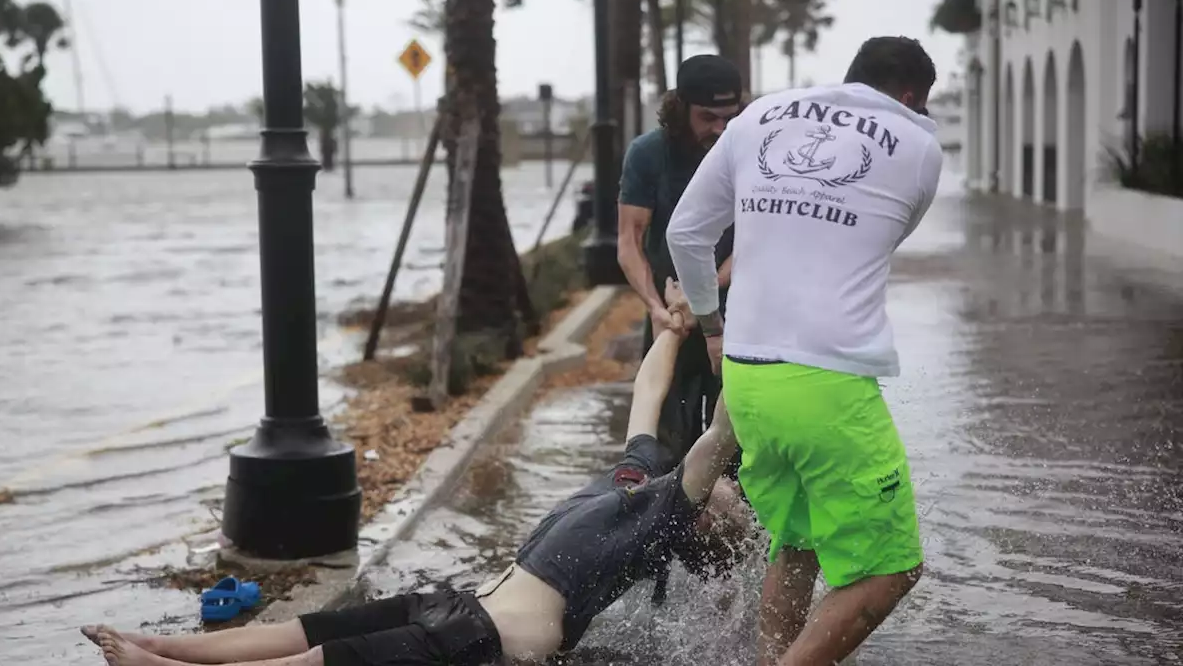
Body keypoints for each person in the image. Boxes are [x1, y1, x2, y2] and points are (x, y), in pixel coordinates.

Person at [82, 280, 753, 666]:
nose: (737, 498)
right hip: (458, 608)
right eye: (740, 498)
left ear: (701, 518)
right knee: (312, 632)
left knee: (321, 664)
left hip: (485, 644)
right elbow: (647, 395)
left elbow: (720, 435)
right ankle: (158, 643)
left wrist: (758, 344)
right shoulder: (636, 480)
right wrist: (673, 328)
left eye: (734, 506)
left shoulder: (665, 513)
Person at [664, 36, 942, 666]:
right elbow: (887, 232)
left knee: (796, 544)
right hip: (827, 382)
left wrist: (711, 326)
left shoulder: (757, 117)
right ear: (908, 97)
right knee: (891, 569)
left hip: (747, 376)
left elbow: (686, 233)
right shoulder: (920, 145)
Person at [617, 54, 743, 463]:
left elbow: (757, 239)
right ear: (680, 108)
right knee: (665, 441)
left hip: (737, 312)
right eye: (707, 117)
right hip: (669, 317)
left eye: (729, 116)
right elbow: (629, 241)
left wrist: (703, 291)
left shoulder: (748, 151)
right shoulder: (648, 154)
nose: (719, 129)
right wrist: (656, 306)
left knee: (738, 444)